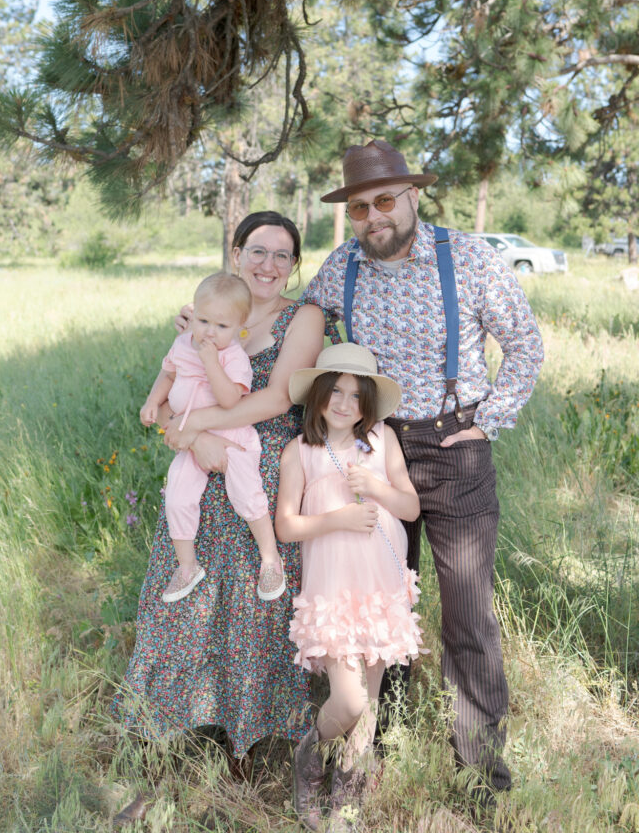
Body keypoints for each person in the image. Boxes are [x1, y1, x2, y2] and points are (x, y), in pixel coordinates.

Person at [302, 139, 544, 807]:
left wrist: (486, 420)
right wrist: (205, 339)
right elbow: (293, 324)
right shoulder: (342, 263)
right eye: (358, 208)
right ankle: (370, 747)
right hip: (374, 450)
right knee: (375, 605)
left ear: (412, 196)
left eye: (383, 201)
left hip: (452, 446)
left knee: (466, 614)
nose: (372, 217)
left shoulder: (466, 257)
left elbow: (524, 343)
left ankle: (479, 777)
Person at [112, 212, 334, 828]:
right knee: (179, 608)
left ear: (294, 265)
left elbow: (275, 399)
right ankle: (161, 760)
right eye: (257, 251)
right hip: (197, 479)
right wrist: (181, 436)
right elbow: (171, 395)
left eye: (282, 255)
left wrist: (192, 431)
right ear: (236, 253)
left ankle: (244, 755)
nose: (268, 264)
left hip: (258, 480)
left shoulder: (303, 318)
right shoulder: (205, 309)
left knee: (247, 615)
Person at [276, 343, 423, 832]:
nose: (343, 404)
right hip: (334, 590)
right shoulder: (299, 452)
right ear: (319, 394)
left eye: (355, 397)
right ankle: (309, 758)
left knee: (371, 704)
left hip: (381, 585)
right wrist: (337, 517)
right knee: (350, 701)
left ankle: (346, 797)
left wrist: (377, 488)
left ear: (367, 407)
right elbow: (285, 527)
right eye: (335, 392)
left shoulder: (382, 441)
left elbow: (410, 507)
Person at [140, 271, 286, 604]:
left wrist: (211, 363)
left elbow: (230, 400)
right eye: (203, 320)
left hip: (231, 434)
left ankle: (269, 558)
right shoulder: (182, 343)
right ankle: (187, 566)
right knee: (177, 494)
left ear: (239, 326)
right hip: (191, 440)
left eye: (222, 326)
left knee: (247, 493)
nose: (209, 332)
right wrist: (152, 401)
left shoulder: (232, 356)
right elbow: (169, 374)